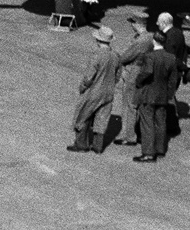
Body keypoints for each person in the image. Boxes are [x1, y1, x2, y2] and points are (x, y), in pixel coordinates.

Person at [69, 25, 118, 153]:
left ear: (98, 40)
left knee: (83, 115)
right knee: (102, 118)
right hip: (109, 92)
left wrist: (82, 87)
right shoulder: (115, 56)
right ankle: (98, 146)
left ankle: (81, 144)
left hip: (94, 91)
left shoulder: (97, 56)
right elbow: (118, 75)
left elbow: (89, 77)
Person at [133, 33, 179, 162]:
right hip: (162, 94)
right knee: (160, 122)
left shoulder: (150, 56)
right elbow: (173, 79)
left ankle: (148, 152)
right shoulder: (171, 57)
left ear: (154, 41)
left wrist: (138, 81)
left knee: (147, 123)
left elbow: (147, 71)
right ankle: (160, 149)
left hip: (148, 93)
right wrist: (169, 93)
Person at [113, 17, 156, 145]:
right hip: (141, 70)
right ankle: (130, 132)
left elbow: (127, 57)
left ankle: (128, 135)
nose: (131, 25)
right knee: (133, 103)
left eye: (132, 22)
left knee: (128, 103)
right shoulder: (149, 37)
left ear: (138, 24)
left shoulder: (141, 41)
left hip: (133, 71)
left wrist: (117, 57)